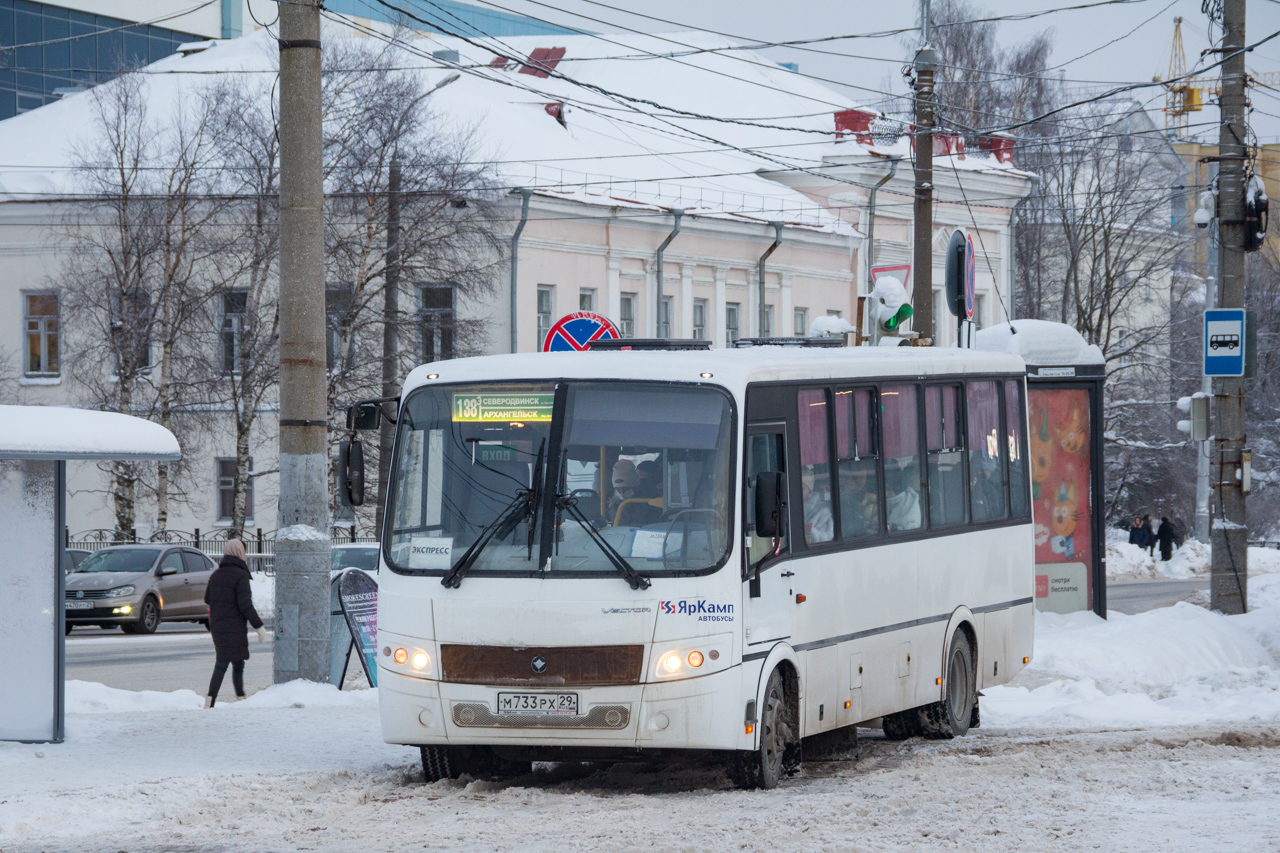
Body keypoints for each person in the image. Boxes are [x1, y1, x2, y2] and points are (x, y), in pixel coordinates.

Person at [203, 539, 267, 708]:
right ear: (239, 553)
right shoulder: (240, 575)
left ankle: (240, 698)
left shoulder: (216, 575)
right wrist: (259, 626)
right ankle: (210, 702)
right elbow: (245, 604)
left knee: (238, 661)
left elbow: (207, 599)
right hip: (234, 627)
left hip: (217, 626)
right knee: (223, 663)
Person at [801, 467, 834, 544]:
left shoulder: (824, 510)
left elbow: (829, 537)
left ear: (809, 490)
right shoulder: (789, 507)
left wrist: (811, 532)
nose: (797, 491)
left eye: (802, 488)